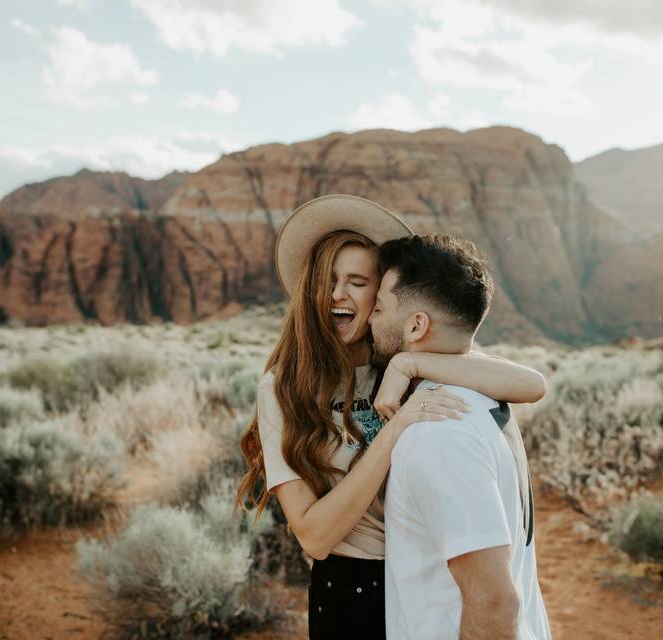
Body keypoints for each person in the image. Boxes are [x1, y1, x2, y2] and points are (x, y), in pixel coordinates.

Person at [236, 195, 547, 639]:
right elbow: (313, 536)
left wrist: (408, 366)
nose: (337, 294)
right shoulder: (284, 388)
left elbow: (531, 384)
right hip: (352, 587)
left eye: (357, 282)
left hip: (428, 577)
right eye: (327, 280)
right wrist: (395, 429)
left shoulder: (399, 354)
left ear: (381, 296)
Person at [370, 233, 552, 640]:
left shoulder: (439, 433)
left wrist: (406, 362)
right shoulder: (485, 397)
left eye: (379, 308)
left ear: (417, 325)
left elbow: (494, 602)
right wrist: (408, 362)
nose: (370, 319)